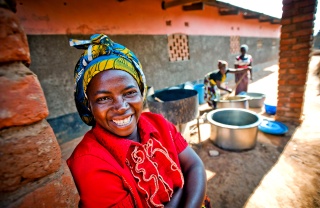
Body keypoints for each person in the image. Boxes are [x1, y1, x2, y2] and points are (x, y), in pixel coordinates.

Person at [67, 34, 208, 208]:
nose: (120, 106)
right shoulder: (89, 162)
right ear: (88, 106)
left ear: (141, 93)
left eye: (129, 93)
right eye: (103, 98)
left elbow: (194, 165)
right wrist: (181, 188)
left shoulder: (158, 123)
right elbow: (189, 173)